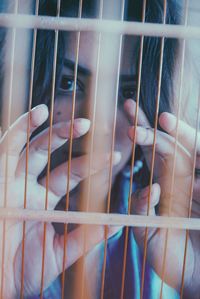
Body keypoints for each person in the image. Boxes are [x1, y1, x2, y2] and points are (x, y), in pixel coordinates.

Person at [0, 0, 200, 298]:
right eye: (68, 82)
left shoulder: (174, 227)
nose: (98, 126)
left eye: (128, 92)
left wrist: (195, 280)